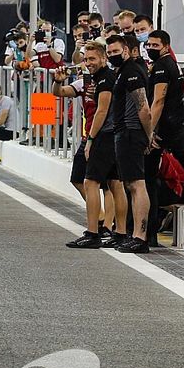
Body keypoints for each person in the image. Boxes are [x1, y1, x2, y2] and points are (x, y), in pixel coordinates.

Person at [52, 43, 118, 232]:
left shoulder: (108, 79)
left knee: (107, 184)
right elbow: (60, 93)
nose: (88, 63)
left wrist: (91, 139)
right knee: (78, 178)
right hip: (88, 135)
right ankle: (100, 218)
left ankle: (105, 226)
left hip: (102, 136)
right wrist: (58, 81)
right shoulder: (84, 82)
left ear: (103, 58)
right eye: (86, 59)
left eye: (92, 59)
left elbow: (103, 111)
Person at [105, 34, 153, 253]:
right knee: (131, 185)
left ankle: (140, 237)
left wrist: (148, 135)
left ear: (126, 50)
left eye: (116, 52)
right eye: (110, 53)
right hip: (125, 133)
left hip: (132, 133)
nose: (113, 55)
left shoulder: (132, 71)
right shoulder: (123, 71)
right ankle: (135, 235)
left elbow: (144, 108)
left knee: (137, 185)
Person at [144, 30, 184, 246]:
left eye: (154, 45)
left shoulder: (162, 66)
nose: (150, 48)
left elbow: (158, 100)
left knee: (149, 180)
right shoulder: (171, 63)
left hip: (163, 134)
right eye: (148, 45)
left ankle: (149, 232)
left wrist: (149, 131)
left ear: (165, 45)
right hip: (174, 130)